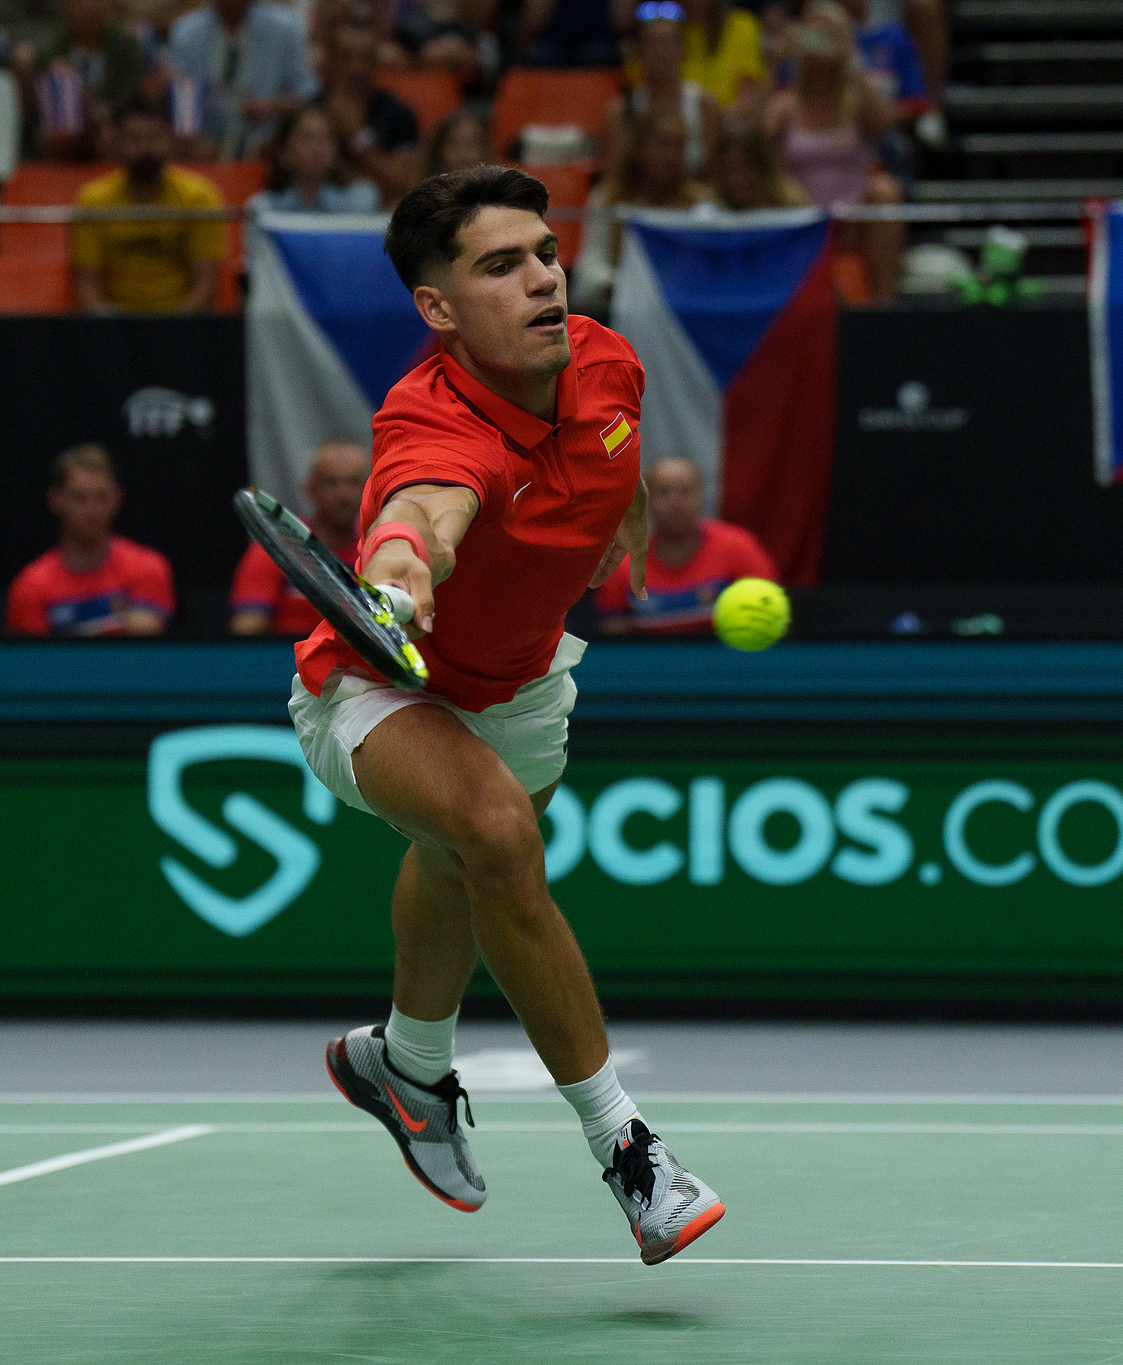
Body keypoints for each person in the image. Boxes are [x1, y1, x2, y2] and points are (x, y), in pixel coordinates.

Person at [289, 165, 725, 1264]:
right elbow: (420, 514)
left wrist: (619, 521)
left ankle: (406, 1065)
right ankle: (629, 1153)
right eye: (499, 266)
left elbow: (607, 455)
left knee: (457, 862)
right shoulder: (430, 422)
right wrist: (400, 571)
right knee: (491, 830)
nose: (541, 279)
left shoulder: (605, 363)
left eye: (542, 252)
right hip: (379, 687)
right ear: (438, 307)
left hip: (523, 686)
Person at [765, 0, 904, 301]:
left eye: (831, 35)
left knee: (885, 191)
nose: (821, 44)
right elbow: (750, 145)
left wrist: (852, 60)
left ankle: (885, 305)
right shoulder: (786, 105)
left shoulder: (856, 101)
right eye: (815, 35)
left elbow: (885, 122)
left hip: (852, 218)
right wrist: (776, 63)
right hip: (800, 215)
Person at [71, 97, 225, 314]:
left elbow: (205, 287)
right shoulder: (93, 202)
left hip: (182, 327)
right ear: (117, 143)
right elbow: (87, 286)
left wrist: (170, 329)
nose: (145, 149)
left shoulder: (200, 198)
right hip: (115, 331)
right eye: (133, 140)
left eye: (154, 138)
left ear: (169, 139)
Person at [593, 455, 776, 634]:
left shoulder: (738, 548)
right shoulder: (623, 565)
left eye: (685, 491)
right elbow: (614, 648)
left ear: (700, 497)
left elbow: (770, 618)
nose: (676, 503)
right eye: (664, 492)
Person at [7, 444, 174, 636]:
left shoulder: (149, 569)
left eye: (101, 497)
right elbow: (34, 662)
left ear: (117, 498)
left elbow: (145, 637)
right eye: (80, 498)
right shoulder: (30, 586)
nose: (92, 510)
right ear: (55, 499)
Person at [573, 106, 715, 311]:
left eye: (678, 146)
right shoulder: (608, 199)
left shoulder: (700, 204)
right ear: (639, 148)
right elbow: (590, 271)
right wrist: (626, 286)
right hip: (621, 312)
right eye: (662, 144)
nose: (671, 156)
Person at [230, 439, 368, 637]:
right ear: (310, 488)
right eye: (331, 482)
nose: (343, 494)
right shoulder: (272, 549)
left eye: (353, 482)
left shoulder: (379, 549)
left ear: (369, 489)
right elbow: (245, 635)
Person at [166, 0, 317, 158]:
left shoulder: (285, 28)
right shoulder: (187, 31)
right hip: (204, 149)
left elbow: (307, 95)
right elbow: (182, 105)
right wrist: (193, 143)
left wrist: (270, 107)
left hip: (270, 148)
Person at [602, 8, 722, 182]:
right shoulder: (620, 112)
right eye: (652, 44)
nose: (661, 52)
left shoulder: (706, 106)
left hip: (694, 203)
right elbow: (613, 182)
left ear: (683, 51)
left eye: (668, 43)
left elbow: (715, 178)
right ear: (638, 52)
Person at [318, 17, 422, 207]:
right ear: (330, 62)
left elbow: (405, 187)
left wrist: (358, 137)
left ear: (376, 62)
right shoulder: (311, 112)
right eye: (346, 57)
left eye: (366, 58)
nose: (357, 69)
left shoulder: (399, 114)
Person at [30, 0, 150, 162]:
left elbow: (132, 96)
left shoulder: (126, 45)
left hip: (109, 117)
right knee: (60, 134)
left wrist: (101, 110)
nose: (90, 6)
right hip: (66, 117)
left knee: (107, 135)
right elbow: (42, 100)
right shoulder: (50, 48)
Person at [251, 104, 380, 213]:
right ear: (285, 152)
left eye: (325, 138)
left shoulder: (360, 200)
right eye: (306, 137)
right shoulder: (264, 208)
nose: (318, 147)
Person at [682, 0, 768, 123]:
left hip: (729, 125)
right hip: (679, 126)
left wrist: (712, 113)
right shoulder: (667, 35)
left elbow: (749, 100)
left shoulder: (742, 25)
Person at [713, 123, 810, 209]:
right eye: (730, 170)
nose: (737, 179)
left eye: (745, 169)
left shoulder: (792, 206)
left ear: (762, 167)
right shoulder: (714, 212)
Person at [516, 0, 625, 67]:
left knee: (598, 54)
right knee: (541, 54)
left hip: (600, 40)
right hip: (552, 41)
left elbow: (622, 22)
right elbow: (534, 20)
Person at [422, 106, 487, 179]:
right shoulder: (424, 187)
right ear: (440, 148)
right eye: (454, 144)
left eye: (469, 144)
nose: (462, 153)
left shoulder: (497, 186)